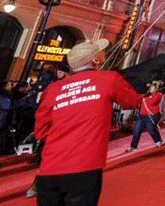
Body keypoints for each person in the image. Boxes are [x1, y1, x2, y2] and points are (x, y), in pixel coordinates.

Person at [33, 39, 142, 206]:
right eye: (101, 51)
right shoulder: (109, 79)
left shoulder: (53, 89)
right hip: (85, 166)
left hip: (50, 167)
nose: (105, 52)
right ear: (95, 60)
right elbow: (132, 101)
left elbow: (40, 130)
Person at [126, 81, 163, 152]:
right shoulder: (145, 95)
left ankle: (158, 141)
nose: (151, 88)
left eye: (153, 87)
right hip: (142, 116)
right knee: (136, 130)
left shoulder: (158, 94)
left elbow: (152, 102)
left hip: (152, 115)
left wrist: (145, 98)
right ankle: (133, 146)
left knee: (151, 129)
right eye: (151, 86)